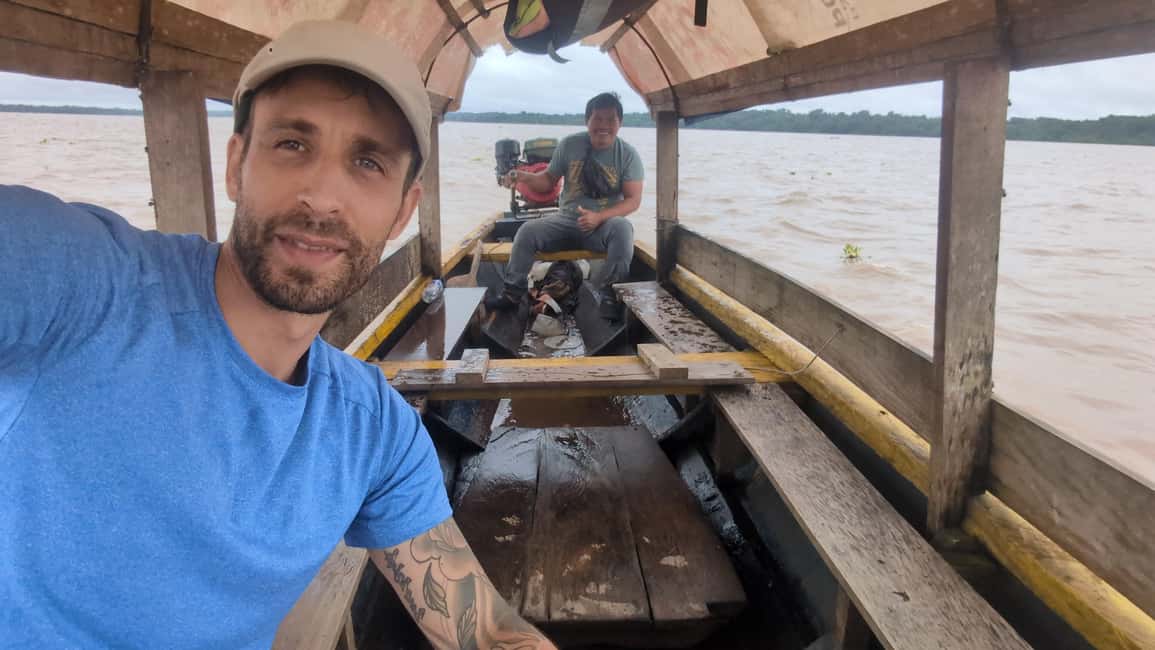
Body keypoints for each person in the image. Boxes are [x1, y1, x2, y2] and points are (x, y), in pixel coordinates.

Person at [0, 20, 555, 650]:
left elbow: (484, 632)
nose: (322, 198)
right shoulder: (90, 285)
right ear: (237, 165)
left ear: (404, 209)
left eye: (367, 162)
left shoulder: (373, 430)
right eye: (292, 144)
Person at [490, 92, 644, 320]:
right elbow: (547, 181)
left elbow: (633, 200)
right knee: (527, 231)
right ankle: (512, 293)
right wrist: (523, 176)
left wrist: (599, 217)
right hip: (565, 220)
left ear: (619, 123)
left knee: (623, 229)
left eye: (610, 119)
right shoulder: (570, 145)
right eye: (597, 119)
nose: (603, 125)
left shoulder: (628, 155)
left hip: (602, 226)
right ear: (587, 121)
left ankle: (610, 295)